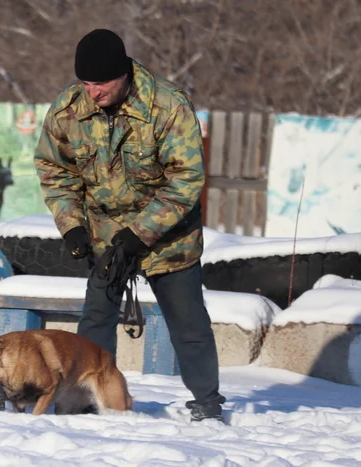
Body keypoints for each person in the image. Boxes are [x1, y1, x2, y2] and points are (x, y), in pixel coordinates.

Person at [33, 28, 226, 422]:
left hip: (169, 237)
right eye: (86, 82)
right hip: (105, 237)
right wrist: (71, 226)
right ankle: (84, 399)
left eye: (101, 83)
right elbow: (55, 170)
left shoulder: (167, 107)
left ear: (123, 74)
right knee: (95, 320)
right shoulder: (68, 109)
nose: (93, 92)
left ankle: (206, 401)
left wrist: (140, 234)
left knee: (189, 324)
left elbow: (186, 178)